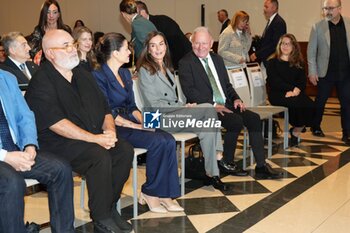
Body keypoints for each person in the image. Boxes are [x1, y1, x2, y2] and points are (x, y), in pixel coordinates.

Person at [25, 29, 134, 233]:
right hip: (57, 143)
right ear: (50, 54)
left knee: (124, 150)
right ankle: (101, 217)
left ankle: (109, 207)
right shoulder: (42, 81)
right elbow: (57, 124)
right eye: (65, 46)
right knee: (98, 156)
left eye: (72, 44)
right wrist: (96, 139)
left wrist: (109, 133)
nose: (72, 49)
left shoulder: (83, 75)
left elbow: (105, 109)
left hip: (88, 137)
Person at [92, 32, 183, 213]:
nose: (130, 52)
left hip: (131, 120)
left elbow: (133, 107)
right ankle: (150, 192)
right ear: (115, 53)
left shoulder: (125, 73)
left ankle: (165, 194)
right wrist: (136, 126)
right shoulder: (98, 76)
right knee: (157, 142)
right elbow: (106, 111)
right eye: (126, 48)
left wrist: (148, 123)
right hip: (114, 126)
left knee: (168, 139)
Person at [179, 27, 282, 179]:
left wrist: (236, 98)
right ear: (192, 43)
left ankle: (261, 166)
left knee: (253, 119)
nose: (200, 47)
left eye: (204, 43)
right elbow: (190, 92)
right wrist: (213, 105)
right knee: (235, 121)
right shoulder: (186, 62)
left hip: (225, 103)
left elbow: (226, 85)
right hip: (205, 108)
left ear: (211, 44)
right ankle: (227, 162)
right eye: (196, 43)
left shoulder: (217, 60)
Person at [137, 31, 232, 191]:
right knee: (208, 108)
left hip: (173, 115)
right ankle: (218, 154)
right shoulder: (145, 70)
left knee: (206, 126)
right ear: (148, 49)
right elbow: (153, 104)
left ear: (166, 46)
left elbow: (174, 99)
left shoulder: (166, 68)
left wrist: (184, 105)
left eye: (161, 44)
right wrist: (183, 107)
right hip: (156, 118)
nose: (158, 48)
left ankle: (212, 174)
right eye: (153, 45)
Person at [0, 69, 74, 233]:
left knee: (60, 169)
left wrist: (29, 145)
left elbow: (25, 115)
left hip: (16, 149)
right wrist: (5, 156)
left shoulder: (6, 78)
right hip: (2, 155)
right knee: (12, 183)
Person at [307, 0, 350, 145]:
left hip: (346, 73)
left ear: (339, 9)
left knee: (346, 103)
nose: (327, 11)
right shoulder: (318, 27)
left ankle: (347, 132)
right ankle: (315, 125)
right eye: (325, 8)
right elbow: (311, 51)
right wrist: (312, 72)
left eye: (330, 8)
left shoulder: (349, 24)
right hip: (325, 72)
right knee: (320, 101)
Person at [266, 34, 315, 146]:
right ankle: (297, 125)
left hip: (295, 92)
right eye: (283, 43)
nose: (285, 46)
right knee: (295, 104)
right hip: (277, 93)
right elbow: (274, 81)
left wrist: (296, 90)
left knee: (311, 106)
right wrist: (291, 89)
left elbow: (302, 81)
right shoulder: (272, 62)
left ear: (294, 46)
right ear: (279, 45)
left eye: (288, 44)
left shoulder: (299, 62)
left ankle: (296, 130)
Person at [136, 1, 192, 69]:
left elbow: (176, 44)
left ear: (142, 13)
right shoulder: (144, 27)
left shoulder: (162, 21)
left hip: (182, 62)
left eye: (135, 16)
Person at [28, 0, 72, 64]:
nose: (51, 16)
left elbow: (71, 48)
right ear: (44, 14)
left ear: (59, 14)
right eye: (48, 12)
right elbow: (33, 52)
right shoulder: (39, 31)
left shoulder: (65, 29)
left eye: (55, 12)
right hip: (46, 65)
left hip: (64, 63)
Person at [250, 0, 286, 66]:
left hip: (272, 62)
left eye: (266, 7)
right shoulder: (272, 21)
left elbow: (275, 44)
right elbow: (266, 41)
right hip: (267, 61)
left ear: (274, 8)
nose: (264, 9)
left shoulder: (278, 22)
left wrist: (257, 54)